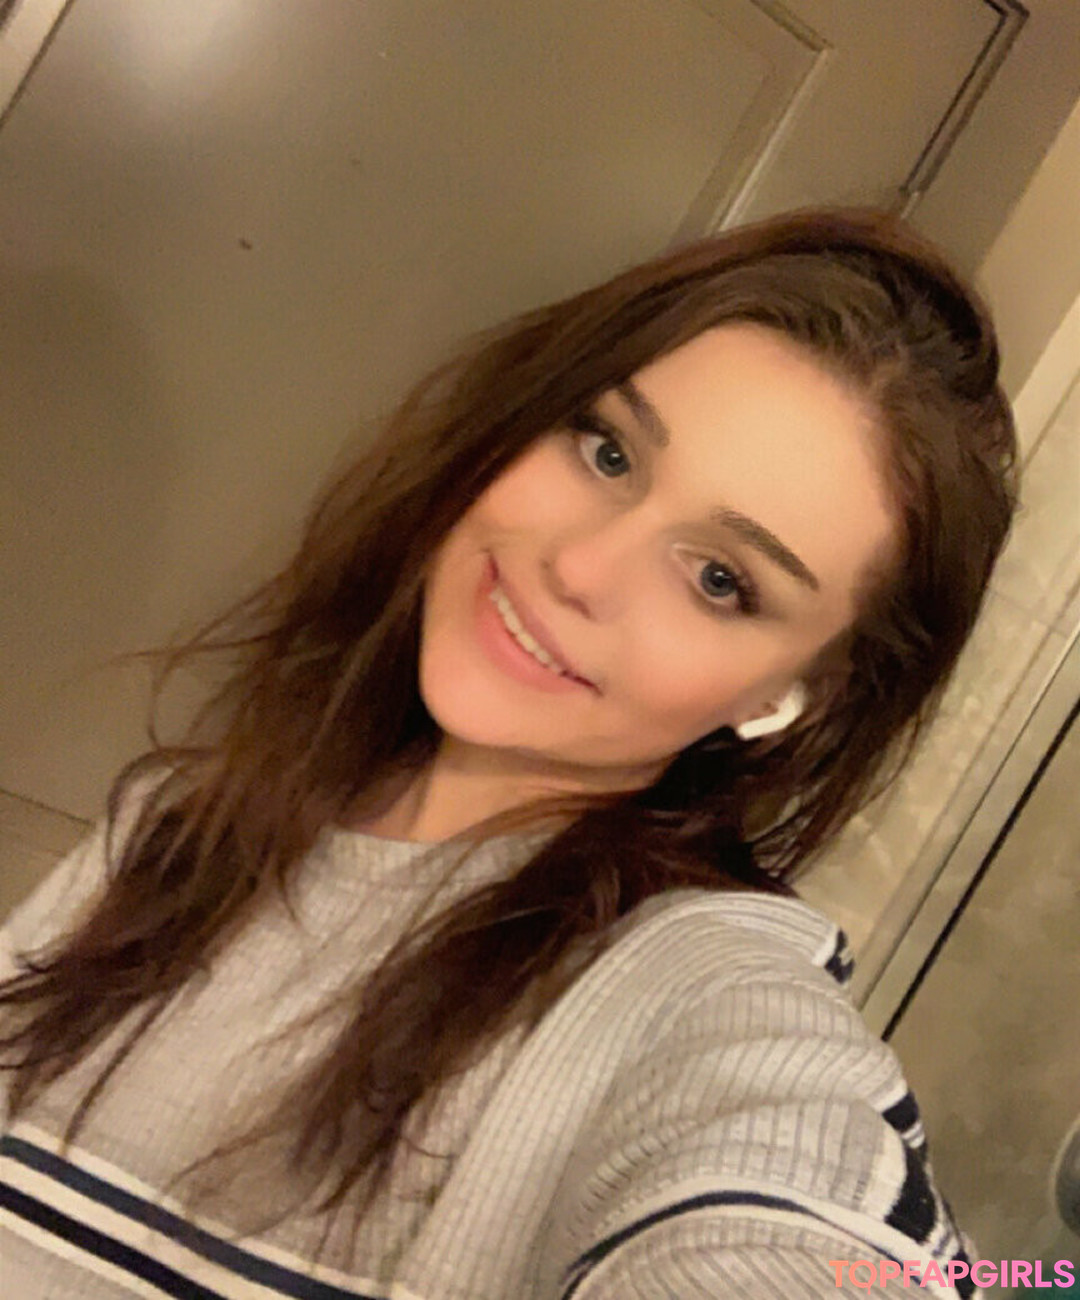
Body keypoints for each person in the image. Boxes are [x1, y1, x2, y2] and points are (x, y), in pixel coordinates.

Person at [0, 208, 1016, 1298]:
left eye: (721, 580)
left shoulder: (690, 1003)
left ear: (792, 696)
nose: (578, 565)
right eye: (608, 451)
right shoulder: (177, 819)